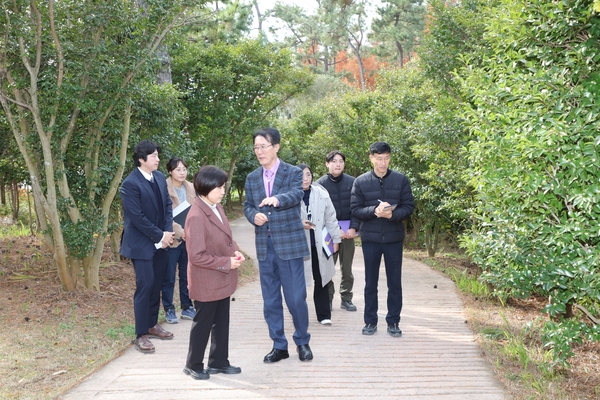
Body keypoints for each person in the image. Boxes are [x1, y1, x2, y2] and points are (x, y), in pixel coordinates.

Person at [243, 128, 313, 363]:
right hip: (265, 246)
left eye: (264, 146)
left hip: (289, 245)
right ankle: (279, 345)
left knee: (295, 299)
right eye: (256, 147)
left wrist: (277, 199)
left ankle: (302, 341)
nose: (259, 151)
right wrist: (254, 216)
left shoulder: (293, 172)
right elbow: (248, 206)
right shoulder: (252, 177)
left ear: (276, 147)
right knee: (271, 300)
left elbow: (296, 194)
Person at [183, 165, 245, 380]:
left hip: (220, 278)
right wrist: (226, 262)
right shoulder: (196, 216)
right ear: (205, 187)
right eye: (219, 187)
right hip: (206, 280)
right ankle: (193, 364)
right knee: (203, 323)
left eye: (224, 186)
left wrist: (235, 251)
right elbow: (196, 256)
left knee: (221, 321)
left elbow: (226, 236)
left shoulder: (216, 207)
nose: (223, 191)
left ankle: (218, 361)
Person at [350, 142, 415, 337]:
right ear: (371, 158)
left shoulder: (400, 180)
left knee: (394, 283)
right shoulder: (360, 182)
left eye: (386, 158)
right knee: (371, 283)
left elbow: (408, 206)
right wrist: (375, 212)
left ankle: (393, 321)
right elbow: (355, 209)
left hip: (394, 239)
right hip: (371, 239)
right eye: (379, 159)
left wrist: (392, 216)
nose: (383, 163)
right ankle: (370, 321)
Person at [120, 140, 175, 353]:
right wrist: (159, 235)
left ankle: (152, 324)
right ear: (142, 159)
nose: (158, 159)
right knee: (145, 285)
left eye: (157, 155)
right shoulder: (130, 184)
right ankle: (141, 333)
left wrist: (167, 233)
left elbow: (168, 205)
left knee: (157, 284)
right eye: (153, 156)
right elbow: (137, 218)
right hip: (141, 244)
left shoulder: (160, 177)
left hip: (162, 241)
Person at [316, 150, 360, 313]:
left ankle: (346, 298)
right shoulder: (319, 185)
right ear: (327, 164)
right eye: (334, 161)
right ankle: (328, 298)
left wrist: (354, 227)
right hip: (328, 233)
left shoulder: (353, 182)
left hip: (349, 232)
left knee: (347, 268)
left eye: (341, 161)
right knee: (328, 268)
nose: (338, 164)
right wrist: (335, 230)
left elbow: (357, 207)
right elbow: (319, 212)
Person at [298, 163, 341, 325]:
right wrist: (299, 223)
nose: (305, 178)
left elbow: (331, 217)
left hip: (319, 243)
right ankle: (298, 314)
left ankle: (324, 315)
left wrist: (336, 239)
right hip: (299, 246)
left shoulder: (321, 193)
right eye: (301, 175)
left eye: (308, 174)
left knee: (322, 278)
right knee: (298, 282)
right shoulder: (290, 195)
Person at [162, 157, 196, 324]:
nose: (182, 172)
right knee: (168, 276)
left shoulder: (191, 187)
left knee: (187, 275)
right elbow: (165, 215)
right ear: (170, 171)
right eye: (178, 169)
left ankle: (187, 306)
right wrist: (181, 232)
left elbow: (197, 211)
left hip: (189, 239)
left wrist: (191, 232)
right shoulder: (164, 188)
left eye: (184, 169)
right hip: (172, 239)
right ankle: (169, 308)